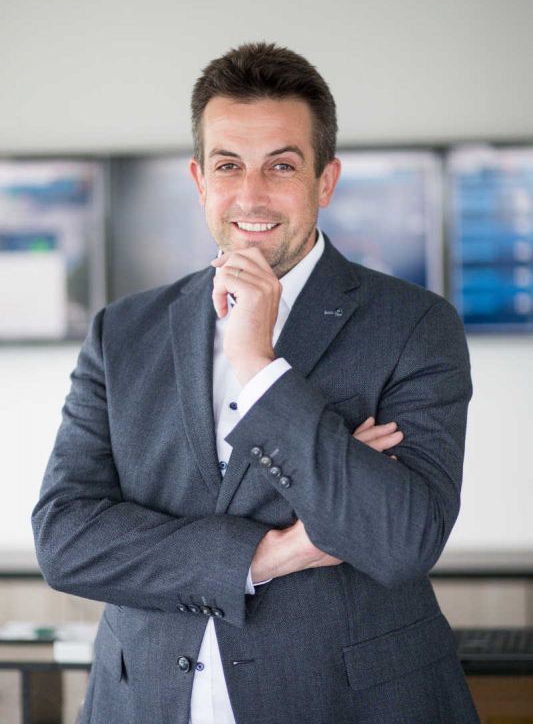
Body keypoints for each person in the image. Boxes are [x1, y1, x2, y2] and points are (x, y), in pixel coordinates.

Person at [32, 42, 480, 723]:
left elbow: (399, 541)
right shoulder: (121, 333)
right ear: (199, 179)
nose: (250, 194)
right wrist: (270, 552)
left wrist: (259, 366)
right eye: (228, 165)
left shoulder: (413, 324)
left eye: (281, 165)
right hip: (145, 702)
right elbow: (66, 541)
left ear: (325, 181)